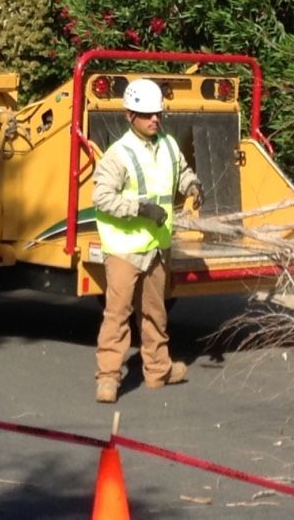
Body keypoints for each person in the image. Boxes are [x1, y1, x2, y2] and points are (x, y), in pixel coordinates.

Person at [92, 78, 203, 403]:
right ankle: (108, 378)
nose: (154, 119)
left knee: (156, 313)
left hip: (156, 245)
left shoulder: (168, 143)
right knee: (118, 314)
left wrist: (192, 185)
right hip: (125, 248)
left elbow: (180, 171)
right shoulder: (119, 154)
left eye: (158, 113)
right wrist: (139, 209)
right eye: (146, 114)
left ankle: (158, 371)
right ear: (129, 116)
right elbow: (102, 198)